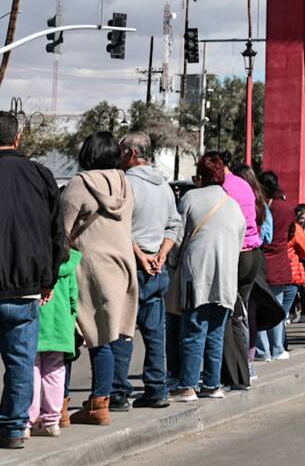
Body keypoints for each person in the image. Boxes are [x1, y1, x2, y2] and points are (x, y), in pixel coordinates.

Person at [62, 132, 138, 426]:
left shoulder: (80, 184)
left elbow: (62, 229)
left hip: (87, 268)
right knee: (106, 336)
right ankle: (100, 404)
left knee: (69, 336)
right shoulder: (125, 184)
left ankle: (59, 406)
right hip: (120, 267)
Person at [0, 110, 65, 449]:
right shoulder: (41, 175)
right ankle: (12, 429)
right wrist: (48, 280)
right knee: (21, 363)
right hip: (25, 290)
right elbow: (58, 235)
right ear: (18, 138)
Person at [108, 132, 181, 412]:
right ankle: (156, 387)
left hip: (131, 267)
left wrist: (141, 256)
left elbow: (119, 227)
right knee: (154, 331)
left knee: (123, 330)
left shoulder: (125, 184)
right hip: (156, 269)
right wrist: (161, 255)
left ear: (130, 154)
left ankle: (118, 391)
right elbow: (174, 224)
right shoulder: (163, 185)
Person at [170, 153, 245, 402]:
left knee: (193, 330)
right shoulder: (233, 205)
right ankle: (212, 384)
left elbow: (177, 238)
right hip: (226, 279)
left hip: (197, 275)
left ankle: (188, 385)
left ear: (200, 176)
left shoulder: (190, 197)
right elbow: (239, 242)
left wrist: (170, 263)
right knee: (215, 332)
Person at [219, 162, 265, 390]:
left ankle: (234, 370)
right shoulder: (247, 188)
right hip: (253, 254)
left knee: (229, 314)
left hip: (237, 253)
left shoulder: (224, 188)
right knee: (241, 312)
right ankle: (247, 363)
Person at [27, 248, 80, 437]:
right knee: (55, 371)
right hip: (60, 325)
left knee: (31, 369)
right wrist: (72, 316)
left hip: (37, 321)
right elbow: (74, 296)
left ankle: (28, 420)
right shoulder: (69, 263)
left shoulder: (34, 257)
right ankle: (52, 420)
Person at [257, 171, 302, 359]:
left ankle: (262, 350)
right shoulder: (287, 208)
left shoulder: (260, 207)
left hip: (263, 260)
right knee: (277, 309)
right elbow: (292, 232)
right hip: (282, 261)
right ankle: (277, 348)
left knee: (259, 308)